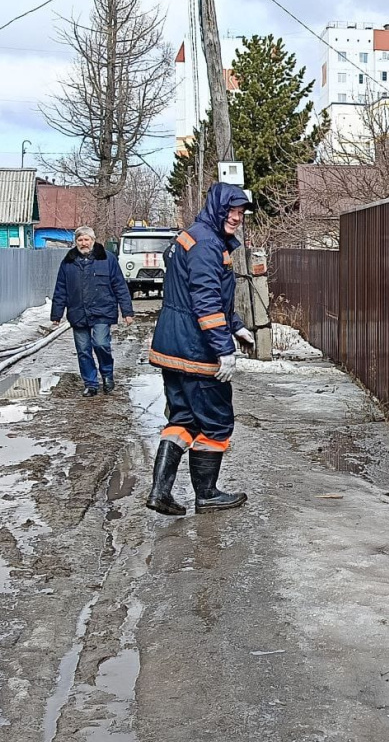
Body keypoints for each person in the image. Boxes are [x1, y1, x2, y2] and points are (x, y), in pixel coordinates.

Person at [145, 183, 256, 516]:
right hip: (196, 349)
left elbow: (204, 294)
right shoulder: (208, 244)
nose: (236, 218)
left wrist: (235, 324)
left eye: (240, 213)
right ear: (217, 209)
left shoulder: (194, 236)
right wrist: (224, 349)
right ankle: (206, 494)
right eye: (232, 211)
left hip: (173, 346)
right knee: (216, 421)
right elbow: (205, 301)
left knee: (184, 418)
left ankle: (160, 492)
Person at [50, 225, 135, 398]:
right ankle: (90, 383)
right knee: (83, 350)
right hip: (78, 312)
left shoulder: (108, 259)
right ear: (76, 242)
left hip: (102, 310)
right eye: (80, 240)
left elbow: (120, 285)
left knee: (101, 343)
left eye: (86, 239)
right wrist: (56, 315)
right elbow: (61, 289)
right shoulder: (68, 262)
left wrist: (127, 312)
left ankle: (107, 375)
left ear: (93, 240)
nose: (83, 243)